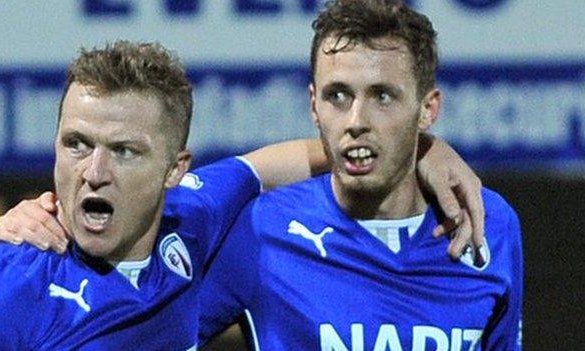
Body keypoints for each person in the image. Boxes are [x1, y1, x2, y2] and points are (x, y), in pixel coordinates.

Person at [0, 40, 331, 349]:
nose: (94, 172)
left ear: (174, 170)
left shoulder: (192, 215)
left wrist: (380, 158)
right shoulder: (7, 288)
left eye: (124, 151)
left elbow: (266, 167)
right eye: (77, 144)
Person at [196, 1, 523, 350]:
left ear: (427, 109)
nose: (356, 121)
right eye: (338, 95)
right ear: (313, 106)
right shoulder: (265, 230)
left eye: (382, 96)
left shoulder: (488, 223)